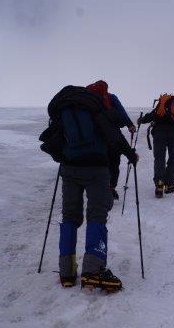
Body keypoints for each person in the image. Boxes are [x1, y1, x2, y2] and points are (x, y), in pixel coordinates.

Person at [47, 83, 139, 290]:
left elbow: (55, 140)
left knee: (70, 216)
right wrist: (131, 155)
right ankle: (93, 269)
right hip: (96, 168)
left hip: (69, 169)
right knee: (97, 214)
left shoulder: (64, 109)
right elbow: (113, 136)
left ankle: (67, 272)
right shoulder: (96, 108)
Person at [85, 81, 136, 201]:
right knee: (113, 162)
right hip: (111, 135)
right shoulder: (111, 98)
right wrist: (129, 125)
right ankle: (110, 187)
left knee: (99, 163)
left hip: (92, 137)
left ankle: (97, 188)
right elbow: (120, 111)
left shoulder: (87, 99)